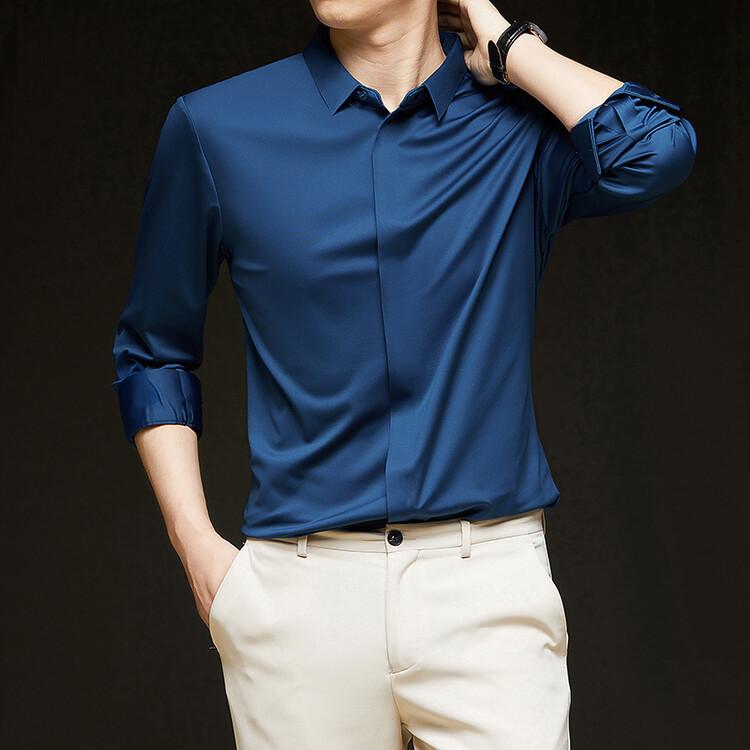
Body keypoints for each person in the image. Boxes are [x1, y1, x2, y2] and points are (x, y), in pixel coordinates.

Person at [110, 0, 697, 747]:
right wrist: (196, 545)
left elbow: (659, 148)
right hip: (298, 602)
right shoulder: (217, 126)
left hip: (486, 591)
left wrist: (507, 42)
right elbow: (153, 350)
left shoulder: (518, 128)